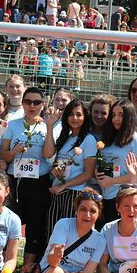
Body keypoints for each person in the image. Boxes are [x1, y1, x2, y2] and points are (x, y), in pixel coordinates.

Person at [0, 87, 52, 273]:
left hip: (40, 181)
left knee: (36, 225)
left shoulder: (49, 126)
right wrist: (14, 151)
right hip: (16, 181)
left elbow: (50, 155)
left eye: (36, 102)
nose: (32, 105)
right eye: (28, 101)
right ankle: (7, 265)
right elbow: (4, 155)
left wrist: (50, 127)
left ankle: (27, 270)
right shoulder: (12, 125)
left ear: (42, 105)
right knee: (10, 223)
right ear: (22, 103)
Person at [43, 98, 97, 230]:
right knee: (53, 231)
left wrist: (65, 185)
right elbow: (47, 154)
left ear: (85, 117)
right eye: (71, 114)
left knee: (69, 233)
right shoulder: (65, 137)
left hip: (74, 194)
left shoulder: (89, 140)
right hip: (57, 191)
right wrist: (49, 127)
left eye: (79, 114)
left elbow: (88, 173)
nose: (75, 118)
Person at [95, 99, 137, 226]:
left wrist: (112, 181)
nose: (116, 119)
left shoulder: (135, 140)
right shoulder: (108, 138)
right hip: (105, 197)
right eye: (113, 115)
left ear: (129, 117)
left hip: (123, 199)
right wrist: (98, 173)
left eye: (121, 115)